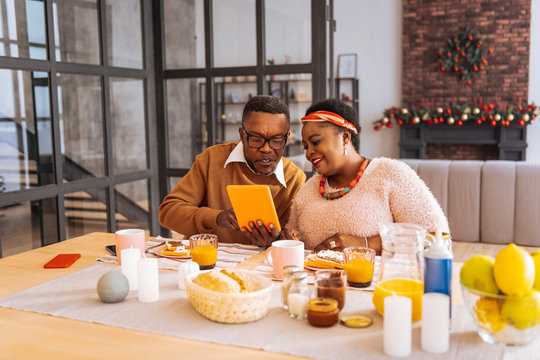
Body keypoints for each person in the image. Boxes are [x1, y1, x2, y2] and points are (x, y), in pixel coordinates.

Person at [285, 99, 449, 253]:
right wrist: (287, 238)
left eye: (316, 142)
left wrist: (365, 244)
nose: (309, 153)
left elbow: (438, 238)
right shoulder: (308, 191)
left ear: (345, 137)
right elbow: (294, 240)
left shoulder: (390, 173)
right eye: (305, 146)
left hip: (379, 282)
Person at [159, 95, 306, 246]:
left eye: (276, 141)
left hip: (258, 266)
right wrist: (216, 218)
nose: (266, 149)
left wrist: (275, 241)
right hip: (205, 261)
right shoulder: (212, 159)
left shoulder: (294, 179)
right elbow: (168, 212)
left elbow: (292, 239)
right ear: (242, 136)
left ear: (287, 138)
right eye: (256, 139)